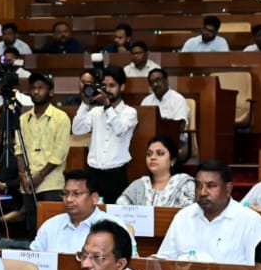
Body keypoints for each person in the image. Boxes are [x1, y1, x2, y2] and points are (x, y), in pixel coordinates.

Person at [156, 161, 261, 263]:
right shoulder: (183, 217)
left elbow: (258, 268)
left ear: (228, 188)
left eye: (211, 186)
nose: (203, 192)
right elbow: (164, 261)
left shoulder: (250, 221)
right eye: (198, 186)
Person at [71, 65, 138, 205]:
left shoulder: (130, 112)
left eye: (112, 85)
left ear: (122, 87)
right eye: (104, 86)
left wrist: (107, 106)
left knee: (115, 214)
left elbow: (119, 130)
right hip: (94, 174)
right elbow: (77, 130)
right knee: (92, 213)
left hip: (116, 175)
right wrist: (85, 103)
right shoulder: (96, 112)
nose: (107, 90)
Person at [13, 73, 72, 204]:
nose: (36, 91)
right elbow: (19, 151)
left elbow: (59, 153)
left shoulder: (61, 118)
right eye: (33, 88)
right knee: (30, 217)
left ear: (51, 92)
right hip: (27, 184)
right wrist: (23, 177)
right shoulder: (23, 119)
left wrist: (40, 176)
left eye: (40, 88)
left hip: (51, 184)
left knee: (50, 217)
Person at [31, 170, 107, 253]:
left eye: (77, 194)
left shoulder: (112, 227)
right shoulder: (51, 225)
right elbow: (34, 257)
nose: (69, 199)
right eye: (65, 193)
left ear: (94, 198)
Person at [118, 135, 195, 209]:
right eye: (149, 154)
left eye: (160, 153)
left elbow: (190, 213)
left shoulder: (184, 184)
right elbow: (119, 211)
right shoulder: (138, 186)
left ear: (172, 160)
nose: (152, 157)